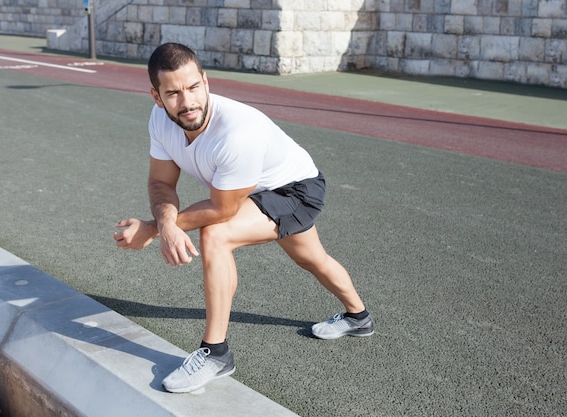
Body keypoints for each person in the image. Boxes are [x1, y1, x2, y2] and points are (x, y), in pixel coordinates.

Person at [114, 43, 373, 393]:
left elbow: (223, 210)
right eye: (173, 93)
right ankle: (359, 317)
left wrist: (153, 229)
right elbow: (161, 183)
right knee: (313, 258)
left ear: (205, 81)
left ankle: (216, 353)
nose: (187, 102)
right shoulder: (160, 121)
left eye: (193, 87)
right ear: (156, 97)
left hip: (294, 189)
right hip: (250, 189)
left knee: (216, 235)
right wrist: (163, 223)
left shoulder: (237, 132)